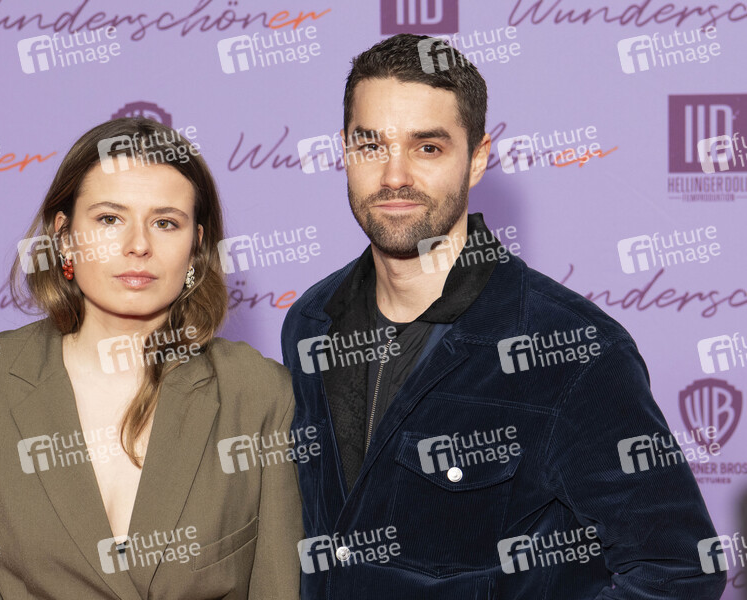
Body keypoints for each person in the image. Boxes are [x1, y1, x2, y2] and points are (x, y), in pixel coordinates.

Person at [280, 34, 726, 599]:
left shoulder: (571, 350)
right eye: (371, 145)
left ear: (477, 159)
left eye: (427, 147)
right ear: (345, 152)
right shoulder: (311, 322)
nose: (394, 176)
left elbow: (679, 570)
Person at [0, 118, 301, 599]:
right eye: (110, 219)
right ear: (64, 236)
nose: (138, 245)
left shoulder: (257, 394)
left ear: (196, 246)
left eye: (165, 223)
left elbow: (279, 586)